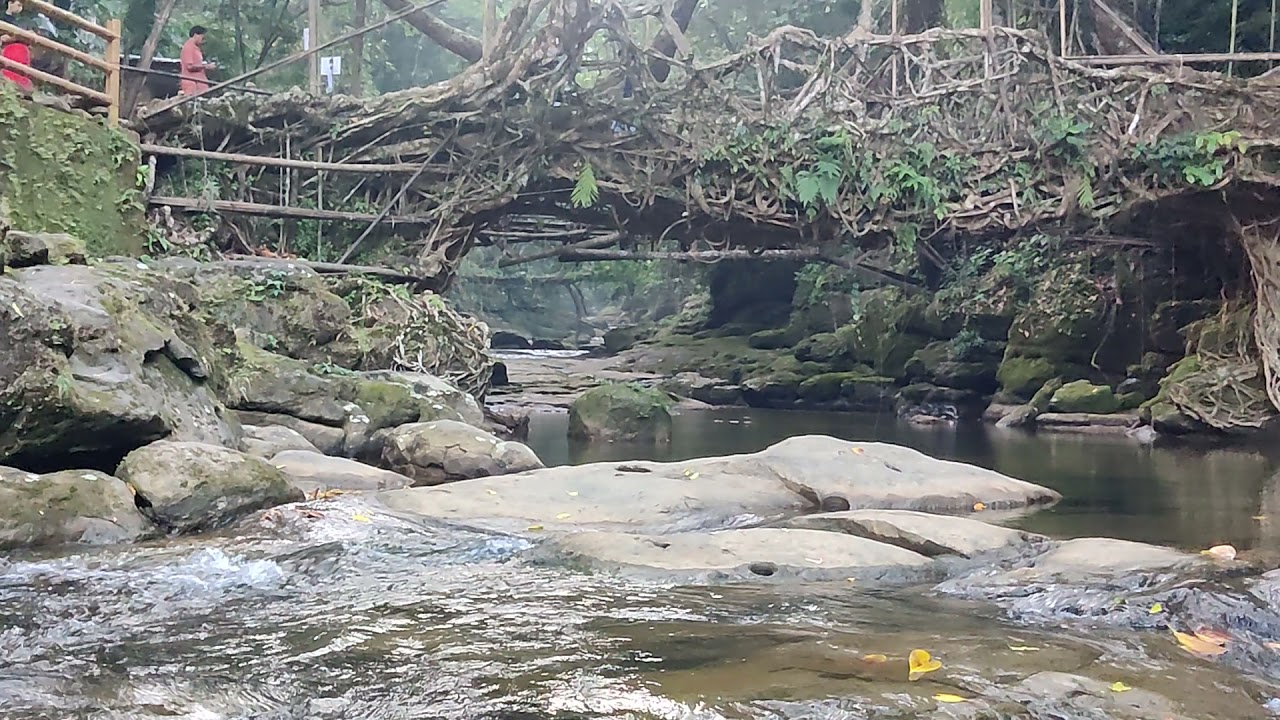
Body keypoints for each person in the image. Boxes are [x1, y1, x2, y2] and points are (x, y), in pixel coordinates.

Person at [179, 25, 215, 95]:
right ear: (196, 35)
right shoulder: (188, 47)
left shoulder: (196, 48)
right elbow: (189, 66)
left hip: (200, 84)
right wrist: (205, 66)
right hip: (192, 85)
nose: (203, 40)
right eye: (202, 37)